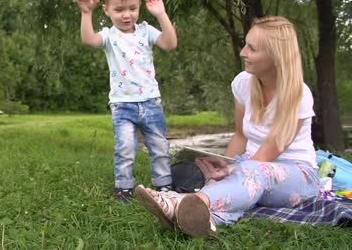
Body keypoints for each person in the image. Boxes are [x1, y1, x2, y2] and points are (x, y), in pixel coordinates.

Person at [135, 16, 320, 236]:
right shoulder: (243, 83)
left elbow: (268, 154)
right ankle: (205, 222)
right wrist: (223, 166)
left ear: (275, 57)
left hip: (297, 175)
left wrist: (233, 170)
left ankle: (182, 202)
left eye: (252, 48)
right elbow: (241, 136)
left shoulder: (298, 95)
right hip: (250, 164)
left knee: (249, 172)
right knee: (220, 178)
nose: (243, 52)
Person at [75, 0, 178, 203]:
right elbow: (88, 40)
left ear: (139, 7)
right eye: (119, 10)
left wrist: (161, 14)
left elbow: (170, 44)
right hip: (123, 105)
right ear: (107, 10)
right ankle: (123, 189)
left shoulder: (146, 31)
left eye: (132, 8)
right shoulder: (109, 36)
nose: (126, 15)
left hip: (151, 102)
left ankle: (164, 187)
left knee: (159, 147)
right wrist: (86, 14)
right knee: (126, 148)